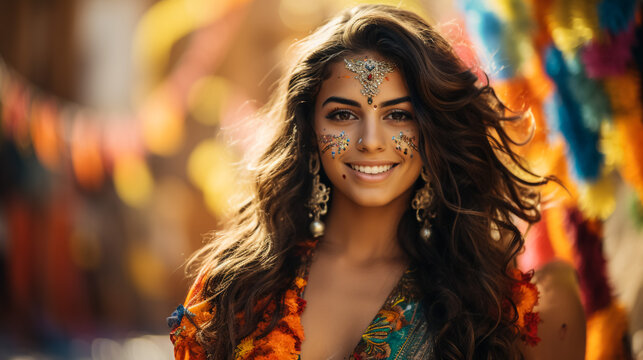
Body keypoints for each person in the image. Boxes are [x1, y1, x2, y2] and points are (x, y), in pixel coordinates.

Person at [168, 4, 585, 359]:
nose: (370, 141)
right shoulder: (236, 286)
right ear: (309, 129)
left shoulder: (497, 307)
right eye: (343, 115)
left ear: (431, 130)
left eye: (397, 115)